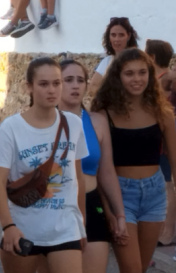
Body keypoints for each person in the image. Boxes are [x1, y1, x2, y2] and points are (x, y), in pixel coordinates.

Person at [0, 57, 88, 273]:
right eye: (43, 84)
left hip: (65, 229)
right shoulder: (12, 128)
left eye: (57, 83)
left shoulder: (74, 124)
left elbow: (78, 178)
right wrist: (8, 227)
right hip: (24, 231)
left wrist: (81, 224)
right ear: (29, 88)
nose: (52, 90)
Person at [38, 59, 128, 273]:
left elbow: (106, 172)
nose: (75, 85)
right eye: (68, 80)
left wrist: (119, 214)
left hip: (91, 204)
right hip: (53, 207)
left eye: (80, 80)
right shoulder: (40, 121)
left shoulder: (97, 121)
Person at [91, 48, 176, 273]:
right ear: (118, 76)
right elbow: (100, 168)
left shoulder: (162, 111)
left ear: (150, 74)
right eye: (129, 73)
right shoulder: (104, 113)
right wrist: (108, 210)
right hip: (120, 195)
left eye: (142, 72)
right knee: (131, 270)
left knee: (141, 268)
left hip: (155, 195)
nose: (137, 79)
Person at [144, 39, 176, 245]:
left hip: (165, 139)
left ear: (152, 57)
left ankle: (168, 233)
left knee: (167, 185)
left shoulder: (169, 77)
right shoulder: (154, 77)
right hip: (154, 137)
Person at [88, 17, 139, 97]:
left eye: (121, 35)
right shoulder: (107, 61)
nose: (117, 39)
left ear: (128, 36)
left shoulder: (137, 60)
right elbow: (92, 87)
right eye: (113, 35)